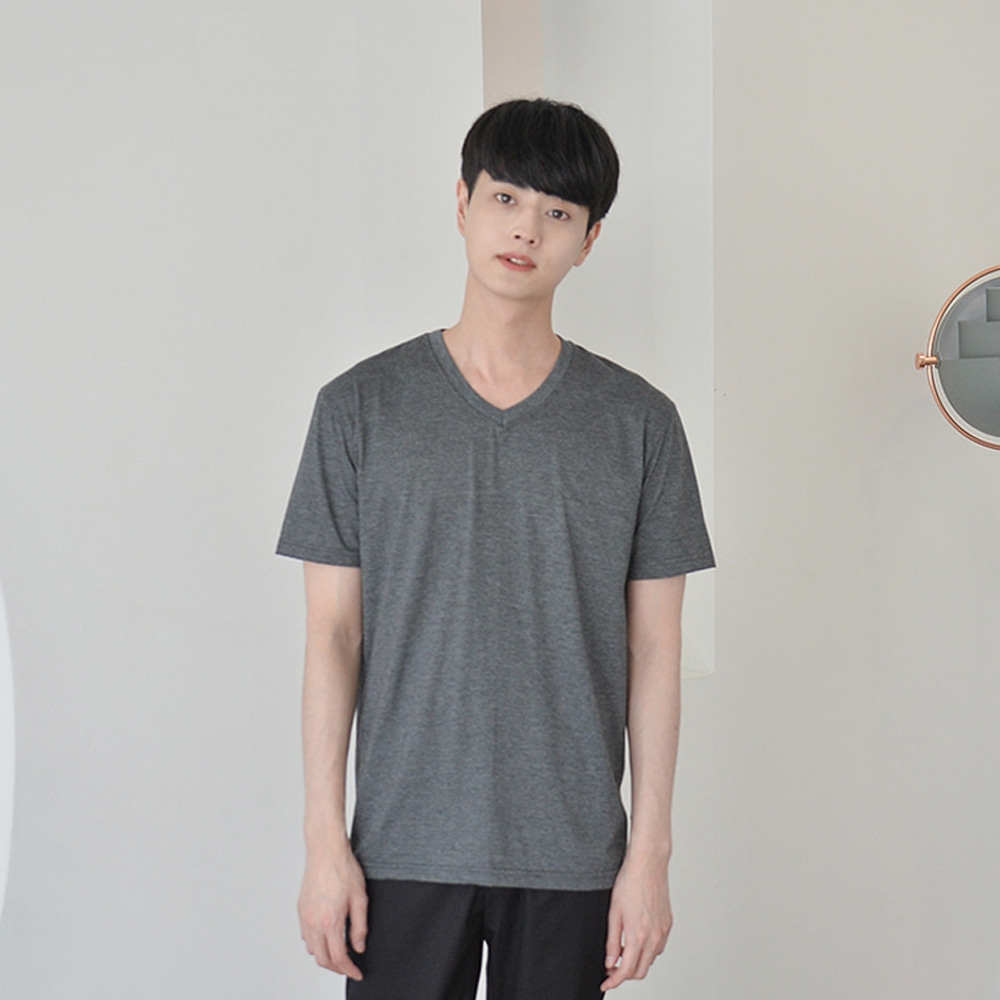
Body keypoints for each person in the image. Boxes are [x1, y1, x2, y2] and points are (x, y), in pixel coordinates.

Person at [277, 97, 714, 999]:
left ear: (589, 240)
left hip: (572, 853)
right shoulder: (359, 408)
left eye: (558, 212)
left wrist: (650, 857)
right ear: (462, 204)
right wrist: (325, 841)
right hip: (400, 846)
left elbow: (654, 648)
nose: (526, 230)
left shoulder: (640, 424)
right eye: (506, 198)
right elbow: (334, 636)